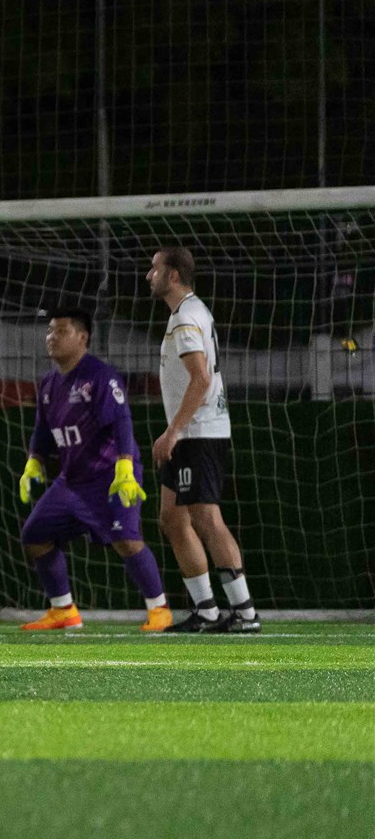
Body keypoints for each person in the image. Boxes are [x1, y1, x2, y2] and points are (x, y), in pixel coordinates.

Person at [16, 309, 172, 632]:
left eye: (61, 331)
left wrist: (125, 465)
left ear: (82, 337)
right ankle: (64, 611)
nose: (51, 337)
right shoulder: (48, 384)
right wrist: (34, 460)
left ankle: (159, 610)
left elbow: (121, 422)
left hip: (110, 476)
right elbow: (42, 430)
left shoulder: (100, 376)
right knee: (35, 535)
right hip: (71, 481)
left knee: (126, 539)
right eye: (49, 331)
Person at [146, 247, 258, 633]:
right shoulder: (190, 312)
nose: (149, 275)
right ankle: (207, 610)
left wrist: (173, 431)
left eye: (155, 268)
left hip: (198, 432)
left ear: (173, 275)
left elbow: (201, 378)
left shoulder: (186, 318)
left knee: (206, 518)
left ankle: (245, 613)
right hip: (192, 432)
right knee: (171, 518)